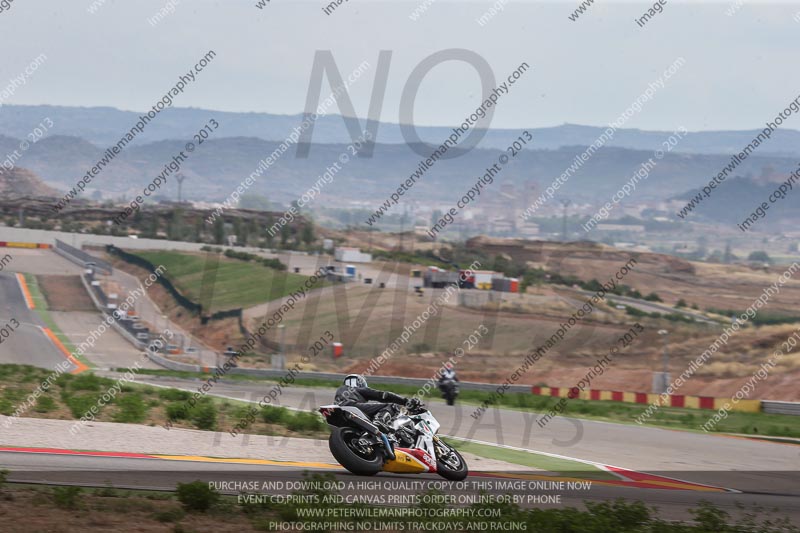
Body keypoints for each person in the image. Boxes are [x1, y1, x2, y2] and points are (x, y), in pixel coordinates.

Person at [334, 374, 421, 430]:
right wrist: (406, 401)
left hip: (338, 412)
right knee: (392, 406)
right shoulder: (358, 388)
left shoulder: (340, 389)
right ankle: (380, 421)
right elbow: (383, 395)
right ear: (360, 383)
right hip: (352, 406)